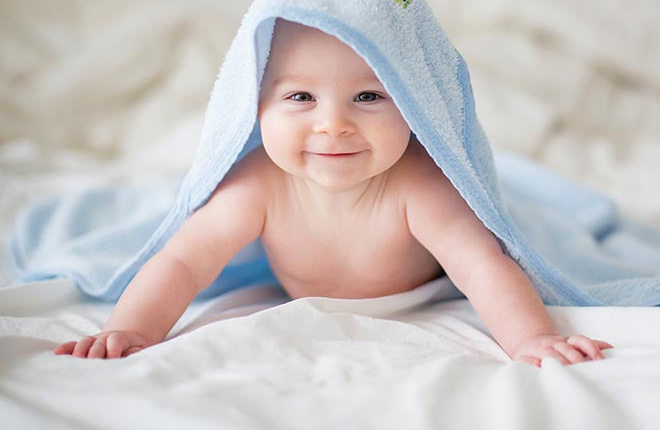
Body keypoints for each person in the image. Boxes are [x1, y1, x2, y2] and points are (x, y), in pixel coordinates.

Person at [54, 19, 613, 365]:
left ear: (417, 108)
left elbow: (482, 266)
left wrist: (530, 340)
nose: (333, 125)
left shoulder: (420, 184)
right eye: (300, 97)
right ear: (254, 106)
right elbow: (183, 259)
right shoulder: (259, 183)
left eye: (369, 97)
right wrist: (131, 330)